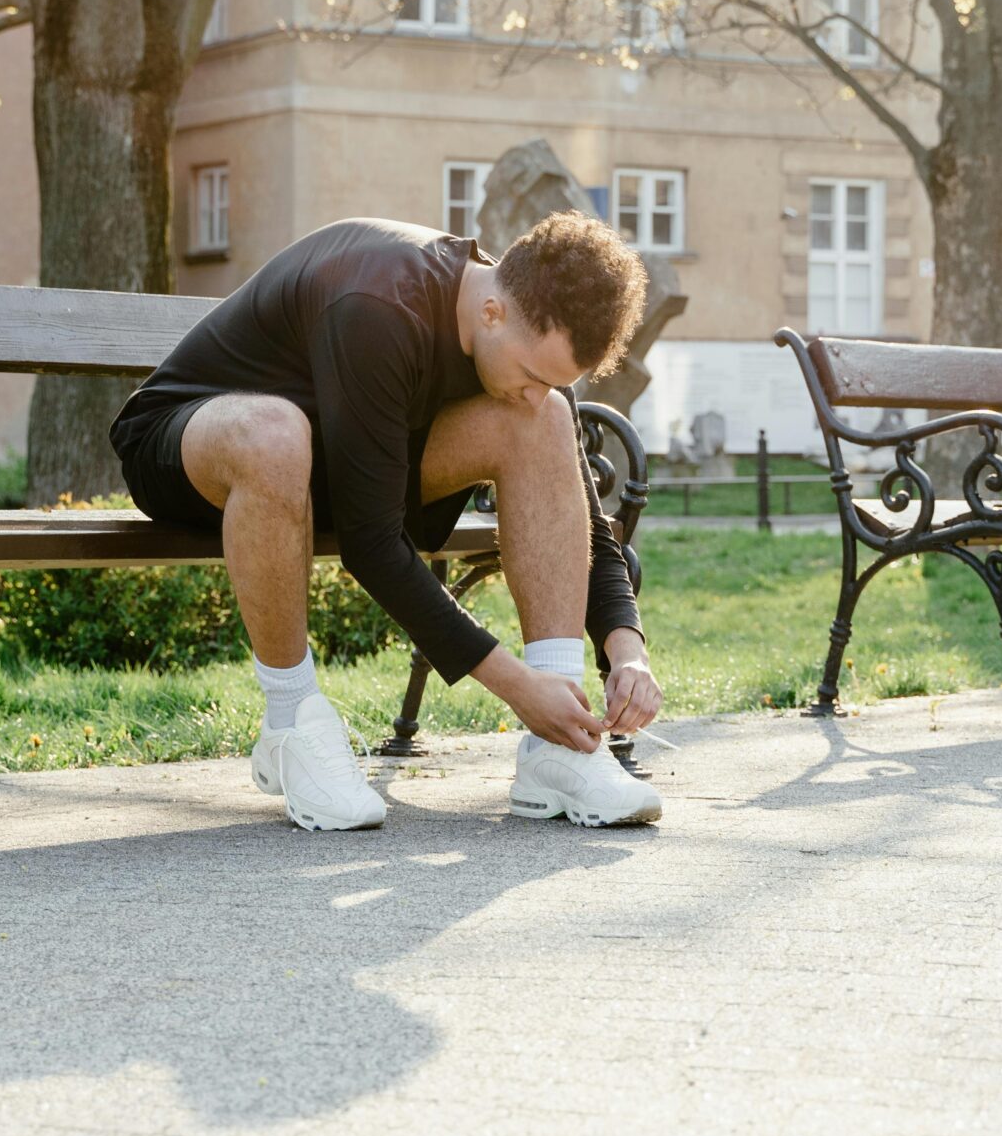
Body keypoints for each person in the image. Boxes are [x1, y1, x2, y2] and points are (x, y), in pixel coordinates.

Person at [109, 213, 663, 831]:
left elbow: (586, 518)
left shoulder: (500, 329)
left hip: (335, 455)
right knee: (275, 434)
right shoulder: (378, 304)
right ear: (492, 313)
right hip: (189, 439)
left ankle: (563, 745)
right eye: (535, 375)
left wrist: (625, 647)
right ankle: (291, 723)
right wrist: (516, 686)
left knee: (549, 421)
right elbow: (371, 545)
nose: (536, 391)